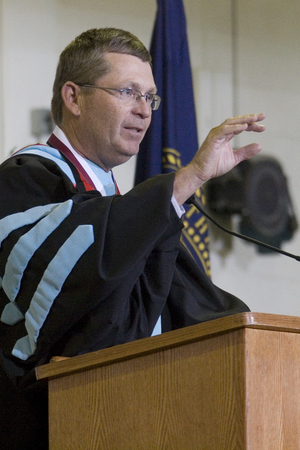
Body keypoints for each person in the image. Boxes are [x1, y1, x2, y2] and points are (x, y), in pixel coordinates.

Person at [0, 28, 265, 449]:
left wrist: (259, 347)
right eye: (127, 92)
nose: (145, 111)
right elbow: (81, 292)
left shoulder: (127, 210)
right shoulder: (24, 181)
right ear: (73, 97)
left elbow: (183, 305)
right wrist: (187, 178)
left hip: (143, 420)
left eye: (151, 97)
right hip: (52, 427)